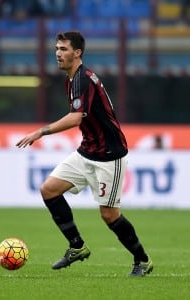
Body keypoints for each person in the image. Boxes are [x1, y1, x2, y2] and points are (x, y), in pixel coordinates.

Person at [16, 31, 153, 276]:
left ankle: (142, 260)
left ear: (77, 53)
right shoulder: (72, 79)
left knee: (109, 215)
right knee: (49, 189)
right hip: (87, 151)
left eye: (64, 49)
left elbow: (76, 117)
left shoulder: (83, 79)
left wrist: (41, 131)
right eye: (57, 48)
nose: (58, 53)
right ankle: (77, 246)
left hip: (109, 156)